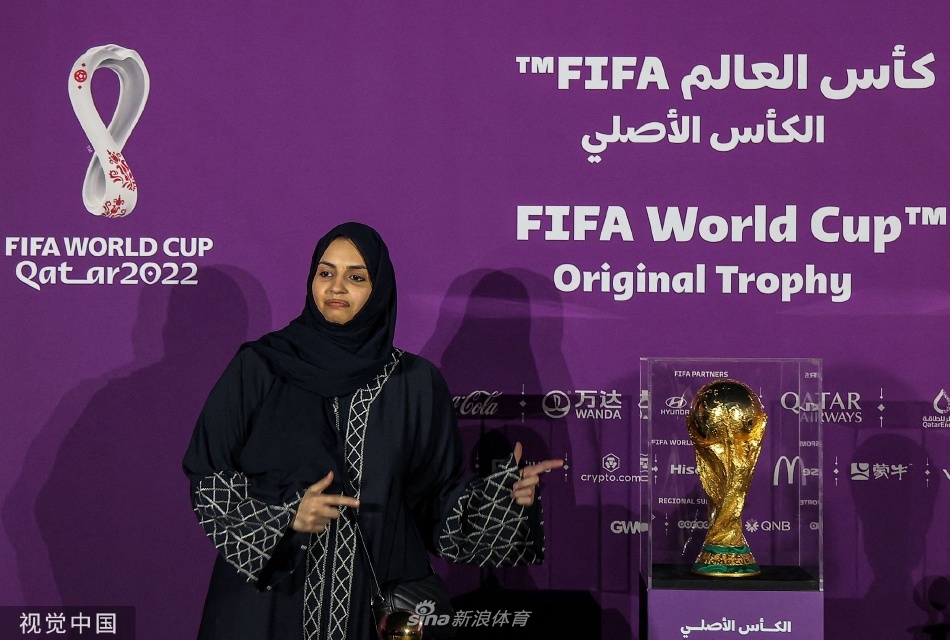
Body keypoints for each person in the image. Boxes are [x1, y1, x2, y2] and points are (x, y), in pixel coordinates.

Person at [183, 222, 563, 640]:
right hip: (267, 606)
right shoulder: (260, 367)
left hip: (372, 604)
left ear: (379, 289)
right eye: (326, 272)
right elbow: (209, 478)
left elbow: (435, 503)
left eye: (356, 277)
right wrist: (285, 518)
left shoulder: (415, 384)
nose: (336, 287)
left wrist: (502, 499)